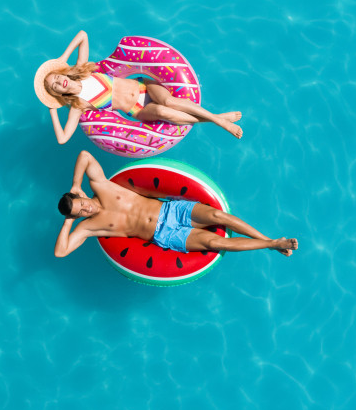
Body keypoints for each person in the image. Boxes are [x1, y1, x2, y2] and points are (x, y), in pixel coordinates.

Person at [54, 151, 298, 258]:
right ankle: (272, 243)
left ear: (82, 196)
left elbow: (85, 155)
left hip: (170, 210)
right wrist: (69, 221)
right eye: (81, 213)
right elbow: (61, 251)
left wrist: (75, 184)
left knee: (217, 216)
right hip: (164, 234)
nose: (86, 210)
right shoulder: (87, 227)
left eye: (82, 204)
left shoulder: (101, 186)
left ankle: (269, 240)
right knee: (215, 243)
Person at [33, 30, 243, 144]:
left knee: (168, 101)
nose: (60, 82)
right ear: (59, 93)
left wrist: (62, 58)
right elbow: (62, 139)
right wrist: (53, 108)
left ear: (63, 74)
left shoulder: (84, 70)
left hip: (144, 86)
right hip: (138, 110)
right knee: (162, 110)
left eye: (57, 78)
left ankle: (219, 120)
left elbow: (82, 35)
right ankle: (219, 120)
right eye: (56, 87)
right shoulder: (79, 106)